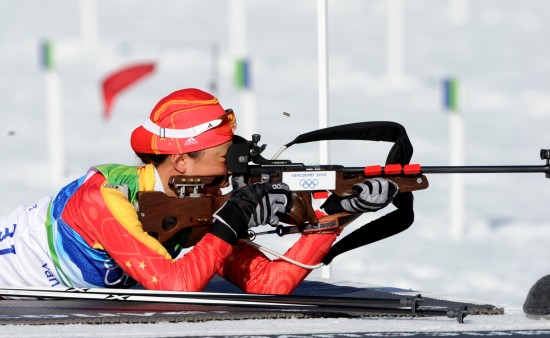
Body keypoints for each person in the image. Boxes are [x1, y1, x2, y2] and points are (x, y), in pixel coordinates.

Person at [0, 88, 397, 294]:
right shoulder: (104, 198)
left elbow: (269, 284)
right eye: (226, 156)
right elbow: (176, 286)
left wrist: (341, 212)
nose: (233, 168)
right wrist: (232, 219)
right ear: (182, 160)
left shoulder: (193, 204)